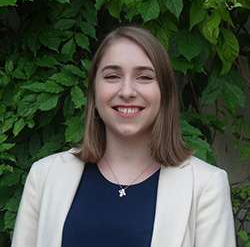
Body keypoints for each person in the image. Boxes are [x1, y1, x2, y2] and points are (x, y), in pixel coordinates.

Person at [11, 26, 236, 247]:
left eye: (144, 77)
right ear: (94, 92)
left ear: (164, 93)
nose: (127, 91)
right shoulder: (45, 176)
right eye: (112, 76)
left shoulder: (206, 186)